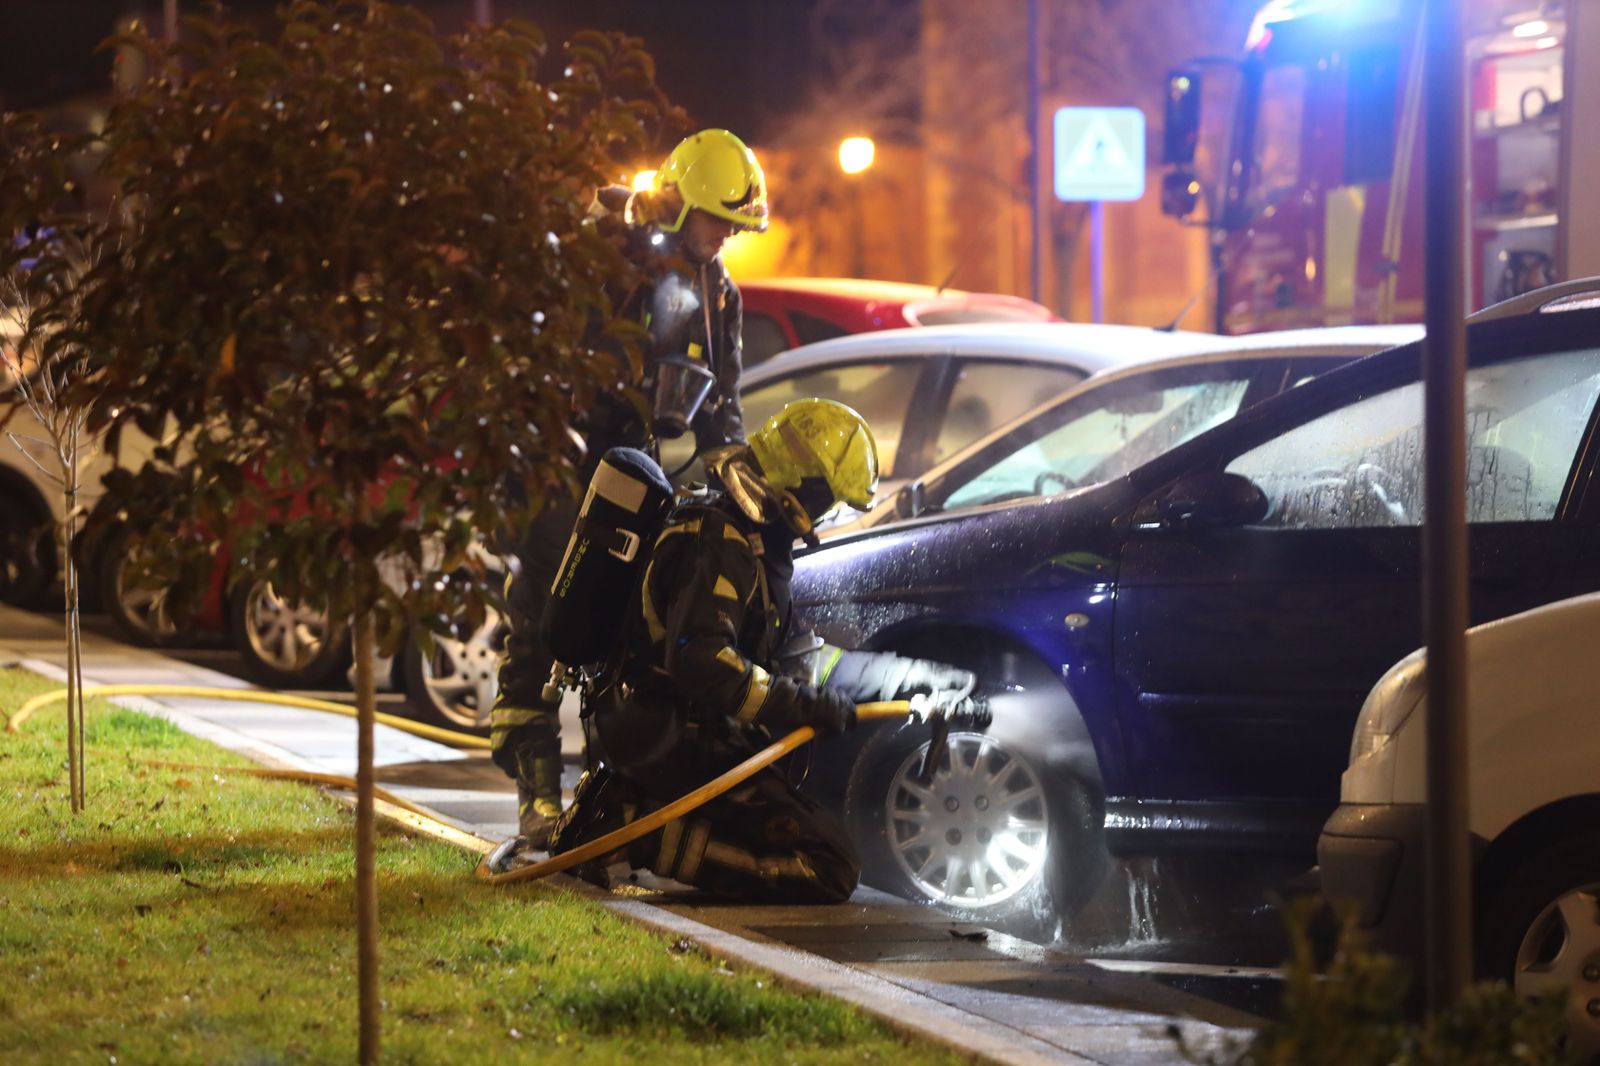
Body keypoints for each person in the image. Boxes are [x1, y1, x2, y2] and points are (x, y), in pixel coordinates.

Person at [544, 399, 978, 903]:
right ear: (803, 487)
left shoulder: (754, 542)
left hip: (682, 731)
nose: (824, 519)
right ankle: (628, 828)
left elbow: (808, 660)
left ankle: (628, 811)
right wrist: (800, 704)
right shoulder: (718, 541)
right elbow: (700, 662)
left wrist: (914, 677)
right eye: (829, 503)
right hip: (664, 736)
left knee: (823, 848)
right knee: (826, 867)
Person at [491, 129, 769, 848]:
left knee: (624, 637)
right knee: (545, 624)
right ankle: (536, 791)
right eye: (716, 222)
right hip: (558, 466)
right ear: (679, 204)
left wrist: (738, 480)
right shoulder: (605, 257)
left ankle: (600, 795)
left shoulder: (720, 294)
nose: (722, 240)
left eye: (733, 229)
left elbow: (724, 407)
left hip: (637, 475)